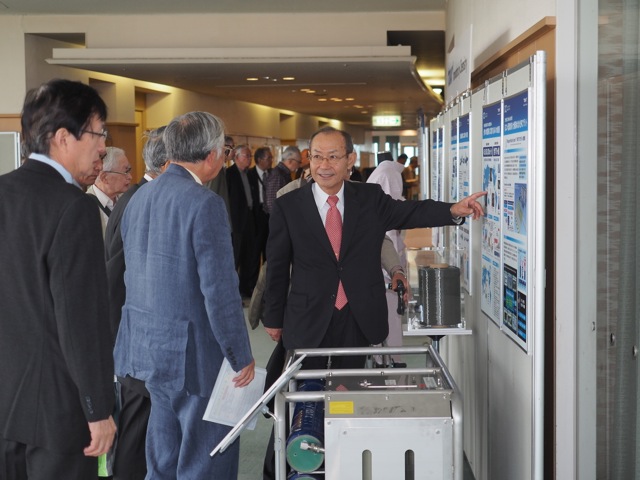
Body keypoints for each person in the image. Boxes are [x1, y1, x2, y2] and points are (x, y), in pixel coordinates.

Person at [263, 126, 486, 370]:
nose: (324, 165)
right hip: (308, 315)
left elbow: (410, 212)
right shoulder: (288, 205)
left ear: (350, 159)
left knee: (351, 385)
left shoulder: (369, 198)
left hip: (358, 314)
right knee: (307, 387)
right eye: (317, 156)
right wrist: (273, 318)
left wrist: (452, 210)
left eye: (333, 156)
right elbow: (277, 266)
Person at [113, 111, 255, 479]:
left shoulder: (139, 197)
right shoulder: (204, 203)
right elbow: (220, 292)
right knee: (205, 460)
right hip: (194, 358)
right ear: (212, 154)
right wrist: (240, 356)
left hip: (147, 350)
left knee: (162, 459)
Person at [0, 78, 116, 479]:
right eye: (98, 133)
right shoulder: (73, 208)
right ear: (63, 138)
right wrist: (98, 409)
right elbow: (80, 321)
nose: (103, 147)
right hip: (57, 410)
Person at [104, 126, 168, 480]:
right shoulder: (140, 200)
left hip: (141, 337)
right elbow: (115, 277)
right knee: (136, 426)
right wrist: (121, 341)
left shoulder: (143, 196)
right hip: (137, 339)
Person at [366, 155, 410, 366]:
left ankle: (387, 359)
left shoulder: (384, 173)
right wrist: (392, 268)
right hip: (385, 267)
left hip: (389, 264)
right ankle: (389, 361)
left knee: (390, 315)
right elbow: (388, 227)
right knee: (389, 316)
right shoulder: (387, 175)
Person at [226, 144, 257, 297]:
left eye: (250, 156)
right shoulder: (229, 174)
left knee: (249, 256)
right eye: (247, 156)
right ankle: (232, 292)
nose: (250, 159)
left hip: (249, 218)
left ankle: (246, 288)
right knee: (235, 257)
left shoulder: (249, 174)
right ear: (237, 157)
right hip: (236, 221)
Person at [86, 146, 132, 235]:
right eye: (125, 172)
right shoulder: (86, 206)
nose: (130, 177)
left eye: (129, 170)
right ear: (104, 178)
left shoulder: (128, 200)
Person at [247, 146, 273, 288]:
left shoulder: (272, 174)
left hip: (269, 216)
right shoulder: (249, 175)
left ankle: (268, 285)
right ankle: (252, 286)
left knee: (269, 251)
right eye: (268, 158)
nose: (271, 160)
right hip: (256, 216)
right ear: (259, 160)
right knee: (254, 252)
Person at [264, 145, 301, 215]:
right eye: (299, 162)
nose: (299, 166)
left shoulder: (285, 173)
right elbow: (271, 203)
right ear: (290, 161)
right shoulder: (277, 174)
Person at [204, 134, 234, 218]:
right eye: (232, 147)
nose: (234, 151)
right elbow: (213, 193)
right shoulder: (217, 169)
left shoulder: (221, 168)